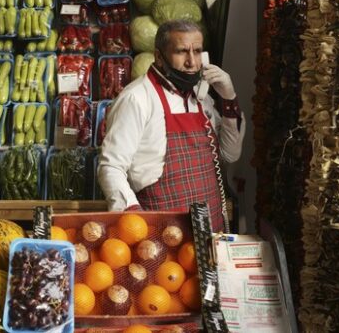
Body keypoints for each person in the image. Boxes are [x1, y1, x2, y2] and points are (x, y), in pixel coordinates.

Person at [98, 20, 245, 232]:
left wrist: (229, 97)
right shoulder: (137, 98)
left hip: (212, 230)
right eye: (182, 52)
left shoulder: (202, 98)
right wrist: (132, 214)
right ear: (159, 57)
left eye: (197, 51)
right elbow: (110, 167)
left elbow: (230, 154)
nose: (192, 62)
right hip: (162, 234)